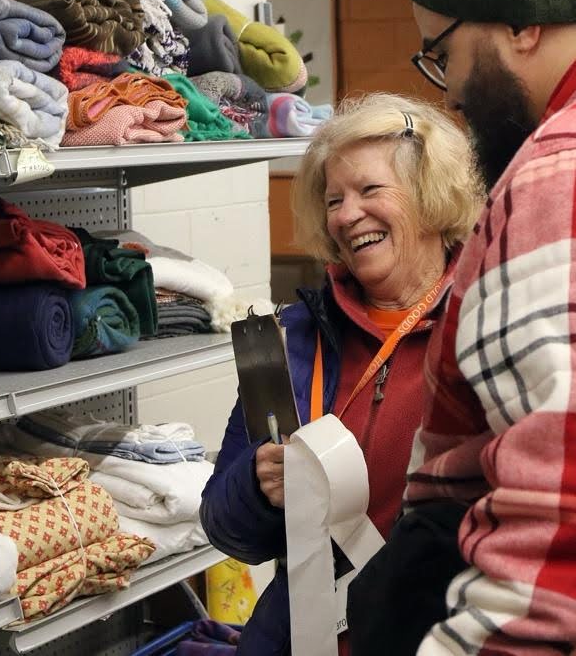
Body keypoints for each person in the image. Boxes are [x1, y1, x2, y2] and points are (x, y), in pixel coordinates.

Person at [348, 0, 576, 655]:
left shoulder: (553, 177)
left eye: (442, 53)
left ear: (520, 21)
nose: (447, 90)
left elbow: (559, 525)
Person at [199, 92, 484, 656]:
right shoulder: (293, 339)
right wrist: (258, 487)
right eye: (334, 200)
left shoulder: (484, 323)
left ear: (431, 195)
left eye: (370, 190)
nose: (347, 215)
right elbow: (223, 526)